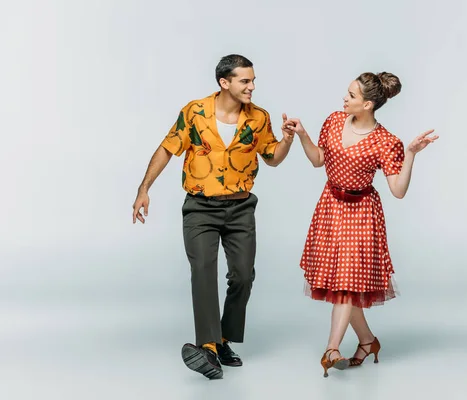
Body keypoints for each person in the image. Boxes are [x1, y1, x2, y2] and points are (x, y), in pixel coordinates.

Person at [132, 54, 294, 380]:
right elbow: (167, 148)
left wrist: (288, 140)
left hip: (240, 208)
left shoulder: (259, 118)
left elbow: (272, 157)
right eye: (245, 81)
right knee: (203, 270)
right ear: (225, 82)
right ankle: (206, 347)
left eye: (253, 80)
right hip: (200, 208)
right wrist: (144, 188)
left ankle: (222, 338)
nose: (252, 86)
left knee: (243, 276)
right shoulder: (194, 113)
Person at [283, 71, 438, 377]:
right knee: (343, 281)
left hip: (361, 213)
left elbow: (398, 190)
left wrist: (410, 154)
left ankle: (331, 349)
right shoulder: (333, 121)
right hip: (331, 207)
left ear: (368, 104)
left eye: (352, 96)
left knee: (346, 282)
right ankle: (368, 341)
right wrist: (302, 134)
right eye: (347, 93)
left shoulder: (386, 142)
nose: (344, 98)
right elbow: (318, 160)